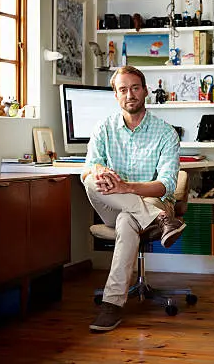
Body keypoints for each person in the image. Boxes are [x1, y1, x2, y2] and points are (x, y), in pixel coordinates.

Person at [82, 65, 185, 332]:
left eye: (135, 88)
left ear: (146, 91)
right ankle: (163, 222)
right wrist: (99, 170)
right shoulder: (103, 128)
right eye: (123, 89)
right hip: (116, 207)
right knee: (91, 181)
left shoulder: (165, 133)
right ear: (115, 95)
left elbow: (165, 186)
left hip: (149, 202)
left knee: (128, 220)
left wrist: (126, 187)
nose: (130, 94)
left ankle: (112, 305)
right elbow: (89, 167)